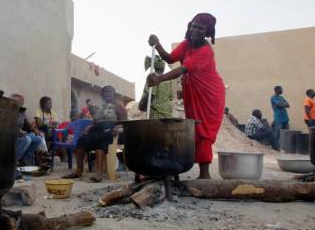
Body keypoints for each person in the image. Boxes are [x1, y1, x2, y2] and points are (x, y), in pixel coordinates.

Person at [146, 13, 225, 179]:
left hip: (209, 94)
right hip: (192, 91)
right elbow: (170, 58)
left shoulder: (205, 51)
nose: (195, 30)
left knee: (203, 131)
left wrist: (160, 79)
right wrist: (158, 44)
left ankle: (205, 174)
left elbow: (182, 69)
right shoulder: (186, 44)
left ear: (207, 31)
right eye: (193, 26)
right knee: (194, 128)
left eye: (200, 28)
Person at [63, 85, 127, 182]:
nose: (108, 94)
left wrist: (118, 127)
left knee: (100, 141)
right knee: (81, 140)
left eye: (110, 92)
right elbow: (96, 121)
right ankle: (78, 171)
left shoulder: (119, 107)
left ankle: (99, 173)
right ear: (102, 95)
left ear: (114, 94)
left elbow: (124, 122)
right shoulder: (100, 107)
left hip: (111, 131)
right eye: (105, 92)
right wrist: (90, 126)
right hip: (97, 130)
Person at [10, 94, 49, 168]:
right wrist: (19, 130)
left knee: (38, 139)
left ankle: (26, 159)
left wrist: (35, 130)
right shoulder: (9, 110)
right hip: (11, 134)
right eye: (19, 101)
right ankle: (14, 161)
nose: (21, 103)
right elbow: (9, 124)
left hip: (21, 133)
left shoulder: (22, 112)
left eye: (22, 102)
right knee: (27, 140)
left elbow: (27, 124)